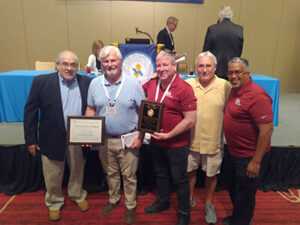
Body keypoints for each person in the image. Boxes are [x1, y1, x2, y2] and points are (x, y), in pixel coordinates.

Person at [24, 50, 92, 221]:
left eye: (73, 65)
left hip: (79, 137)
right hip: (51, 137)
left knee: (77, 170)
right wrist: (31, 140)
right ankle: (54, 201)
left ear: (78, 67)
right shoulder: (41, 82)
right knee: (53, 174)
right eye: (65, 64)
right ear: (57, 65)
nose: (69, 68)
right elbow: (30, 112)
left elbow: (93, 108)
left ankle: (77, 195)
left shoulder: (87, 83)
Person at [85, 45, 145, 224]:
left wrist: (140, 137)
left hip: (128, 138)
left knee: (129, 176)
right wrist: (88, 134)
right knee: (110, 173)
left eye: (113, 60)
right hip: (104, 139)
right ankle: (113, 199)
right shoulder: (95, 84)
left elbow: (145, 112)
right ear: (101, 63)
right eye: (106, 61)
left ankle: (130, 205)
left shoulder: (133, 84)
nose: (109, 64)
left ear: (120, 62)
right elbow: (90, 108)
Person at [143, 50, 197, 225]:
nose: (161, 69)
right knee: (161, 174)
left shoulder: (184, 88)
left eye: (165, 65)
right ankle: (163, 201)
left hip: (176, 143)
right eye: (158, 65)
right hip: (156, 141)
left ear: (174, 66)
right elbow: (137, 92)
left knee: (180, 179)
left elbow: (190, 120)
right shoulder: (151, 84)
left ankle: (184, 213)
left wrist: (169, 135)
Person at [223, 57, 273, 225]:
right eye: (230, 72)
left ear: (248, 73)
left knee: (245, 194)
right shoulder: (235, 90)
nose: (234, 76)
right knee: (235, 189)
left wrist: (256, 161)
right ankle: (239, 217)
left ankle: (242, 221)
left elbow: (266, 130)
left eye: (238, 72)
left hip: (249, 157)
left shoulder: (257, 95)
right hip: (234, 153)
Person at [186, 51, 231, 224]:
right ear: (196, 68)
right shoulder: (189, 84)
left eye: (208, 66)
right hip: (192, 139)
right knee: (190, 172)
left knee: (211, 175)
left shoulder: (225, 86)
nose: (204, 69)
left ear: (215, 67)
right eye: (201, 66)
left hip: (213, 140)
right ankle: (190, 198)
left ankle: (209, 203)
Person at [203, 6, 243, 80]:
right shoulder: (239, 29)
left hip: (215, 70)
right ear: (232, 16)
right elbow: (239, 52)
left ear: (219, 16)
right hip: (232, 70)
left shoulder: (212, 29)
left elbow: (206, 52)